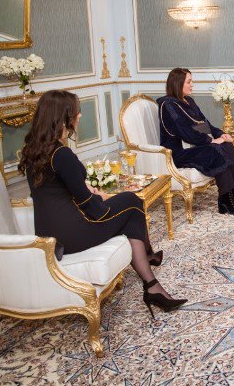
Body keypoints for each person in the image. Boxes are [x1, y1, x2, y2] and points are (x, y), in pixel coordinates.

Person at [19, 90, 186, 318]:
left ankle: (150, 275)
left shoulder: (33, 151)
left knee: (129, 206)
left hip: (49, 233)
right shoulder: (61, 154)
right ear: (63, 117)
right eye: (76, 111)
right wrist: (100, 197)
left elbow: (57, 190)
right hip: (72, 234)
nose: (79, 115)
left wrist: (89, 192)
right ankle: (149, 270)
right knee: (132, 202)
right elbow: (92, 207)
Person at [157, 68, 234, 215]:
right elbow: (185, 132)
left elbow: (205, 124)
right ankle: (226, 200)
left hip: (194, 147)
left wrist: (221, 135)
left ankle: (230, 196)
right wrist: (211, 140)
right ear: (178, 83)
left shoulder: (189, 101)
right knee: (215, 150)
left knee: (227, 145)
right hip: (178, 153)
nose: (192, 84)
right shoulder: (167, 105)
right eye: (189, 82)